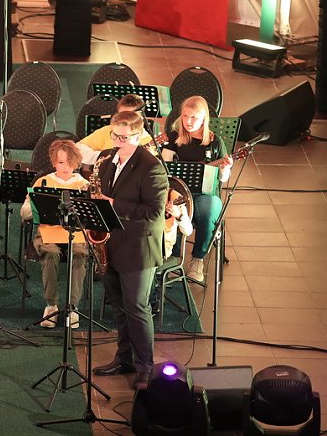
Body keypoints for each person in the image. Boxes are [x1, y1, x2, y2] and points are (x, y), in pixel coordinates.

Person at [91, 111, 168, 389]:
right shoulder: (108, 161)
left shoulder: (152, 168)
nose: (118, 141)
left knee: (137, 307)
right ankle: (124, 358)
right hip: (112, 243)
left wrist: (112, 204)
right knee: (119, 307)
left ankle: (145, 366)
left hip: (138, 247)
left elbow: (155, 212)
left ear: (138, 137)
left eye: (124, 138)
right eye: (115, 135)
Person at [161, 95, 232, 282]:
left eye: (194, 117)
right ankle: (172, 256)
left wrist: (225, 169)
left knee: (209, 212)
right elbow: (165, 168)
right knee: (165, 206)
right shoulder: (175, 137)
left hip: (204, 194)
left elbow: (223, 179)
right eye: (185, 116)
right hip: (177, 192)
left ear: (204, 119)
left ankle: (197, 259)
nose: (189, 122)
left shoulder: (215, 143)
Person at [20, 139, 89, 329]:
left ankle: (73, 307)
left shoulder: (84, 185)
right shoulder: (43, 182)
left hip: (76, 235)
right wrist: (35, 205)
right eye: (60, 163)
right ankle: (51, 306)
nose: (65, 167)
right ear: (53, 162)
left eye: (69, 162)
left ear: (76, 163)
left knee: (80, 254)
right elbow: (24, 212)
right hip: (47, 233)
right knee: (50, 253)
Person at [76, 94, 154, 166]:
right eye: (121, 115)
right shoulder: (107, 131)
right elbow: (77, 149)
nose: (124, 120)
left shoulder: (148, 140)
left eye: (130, 116)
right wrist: (100, 157)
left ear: (141, 117)